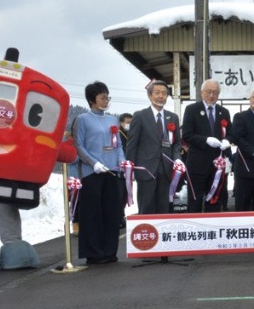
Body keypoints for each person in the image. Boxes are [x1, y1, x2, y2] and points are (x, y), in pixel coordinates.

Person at [73, 81, 126, 264]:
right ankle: (94, 253)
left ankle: (110, 251)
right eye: (102, 97)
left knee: (112, 213)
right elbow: (78, 145)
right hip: (92, 172)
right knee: (93, 214)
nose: (106, 100)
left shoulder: (112, 120)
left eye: (107, 97)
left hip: (112, 171)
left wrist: (121, 160)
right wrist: (93, 163)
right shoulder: (82, 119)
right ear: (92, 100)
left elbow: (117, 144)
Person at [125, 79, 182, 214]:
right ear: (150, 95)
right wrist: (131, 169)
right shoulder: (140, 115)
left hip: (166, 170)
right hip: (145, 169)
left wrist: (177, 158)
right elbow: (132, 144)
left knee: (164, 208)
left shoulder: (172, 117)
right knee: (146, 207)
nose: (161, 96)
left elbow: (176, 144)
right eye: (157, 92)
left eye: (164, 93)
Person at [181, 79, 232, 213]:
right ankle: (194, 229)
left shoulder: (224, 112)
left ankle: (213, 229)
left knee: (215, 198)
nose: (211, 95)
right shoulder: (192, 109)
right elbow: (187, 134)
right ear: (202, 92)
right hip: (197, 163)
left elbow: (230, 133)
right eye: (209, 92)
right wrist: (205, 140)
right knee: (195, 200)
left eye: (215, 92)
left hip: (217, 165)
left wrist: (227, 140)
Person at [116, 112, 133, 228]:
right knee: (118, 194)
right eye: (128, 123)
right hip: (119, 170)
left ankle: (121, 215)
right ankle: (116, 217)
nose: (129, 125)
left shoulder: (131, 134)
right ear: (121, 123)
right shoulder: (117, 134)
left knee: (124, 195)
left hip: (129, 170)